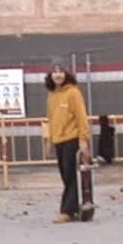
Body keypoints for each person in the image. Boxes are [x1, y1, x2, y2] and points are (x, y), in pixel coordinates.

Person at [43, 60, 91, 223]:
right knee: (65, 175)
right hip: (58, 140)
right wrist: (49, 141)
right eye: (55, 72)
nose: (58, 75)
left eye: (61, 72)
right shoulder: (51, 95)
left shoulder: (73, 93)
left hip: (72, 139)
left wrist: (83, 141)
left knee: (70, 175)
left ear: (67, 74)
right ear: (51, 75)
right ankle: (74, 208)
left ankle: (67, 211)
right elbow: (50, 119)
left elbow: (82, 117)